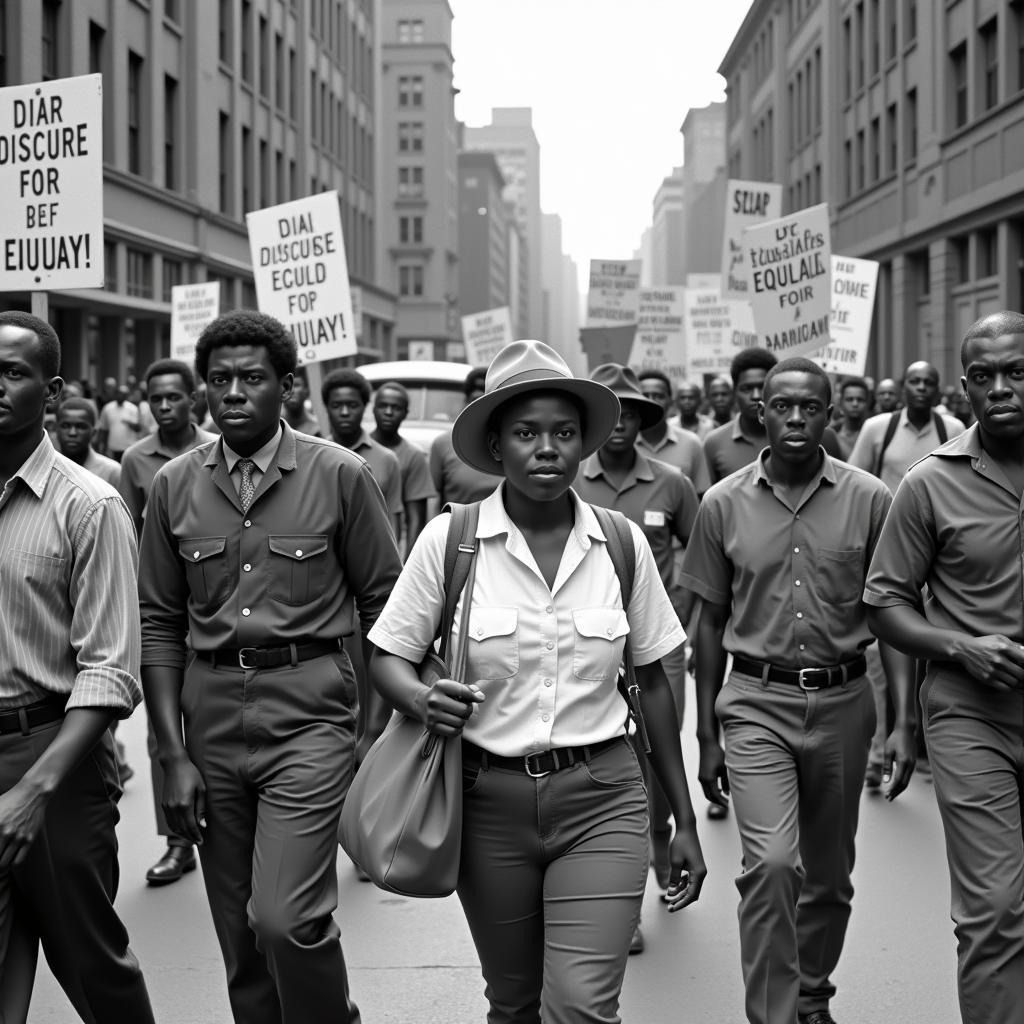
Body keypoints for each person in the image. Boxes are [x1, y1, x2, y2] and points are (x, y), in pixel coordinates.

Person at [369, 339, 707, 1024]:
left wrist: (683, 819)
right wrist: (421, 697)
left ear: (585, 443)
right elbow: (387, 658)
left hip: (605, 799)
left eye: (563, 433)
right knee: (515, 1002)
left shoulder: (620, 543)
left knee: (582, 1006)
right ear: (496, 446)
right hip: (486, 803)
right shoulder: (450, 540)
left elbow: (656, 680)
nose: (547, 448)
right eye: (526, 433)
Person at [138, 309, 402, 1024]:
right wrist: (170, 754)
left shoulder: (340, 475)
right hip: (212, 718)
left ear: (287, 387)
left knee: (286, 917)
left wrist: (373, 732)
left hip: (312, 713)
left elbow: (386, 606)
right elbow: (159, 622)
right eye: (218, 380)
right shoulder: (172, 486)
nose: (232, 393)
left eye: (251, 379)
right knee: (238, 930)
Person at [680, 356, 914, 1024]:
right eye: (780, 406)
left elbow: (890, 615)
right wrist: (704, 736)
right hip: (755, 704)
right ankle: (774, 1015)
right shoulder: (721, 503)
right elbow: (709, 625)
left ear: (830, 413)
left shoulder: (871, 499)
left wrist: (904, 723)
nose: (794, 418)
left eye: (809, 407)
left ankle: (813, 989)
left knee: (830, 876)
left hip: (844, 704)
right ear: (760, 411)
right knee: (773, 866)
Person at [865, 311, 1024, 1024]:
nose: (1002, 389)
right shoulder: (928, 484)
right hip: (972, 715)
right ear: (965, 388)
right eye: (985, 377)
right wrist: (962, 646)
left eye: (1016, 372)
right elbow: (886, 605)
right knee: (993, 907)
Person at [0, 310, 156, 1024]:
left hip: (54, 760)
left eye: (12, 372)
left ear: (52, 390)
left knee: (94, 970)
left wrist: (34, 790)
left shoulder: (90, 506)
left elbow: (110, 672)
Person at [574, 363, 703, 952]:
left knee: (654, 761)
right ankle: (622, 901)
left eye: (632, 413)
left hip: (654, 650)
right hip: (588, 647)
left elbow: (703, 564)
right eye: (612, 412)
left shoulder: (673, 482)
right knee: (609, 767)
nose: (621, 423)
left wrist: (691, 631)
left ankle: (662, 854)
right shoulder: (570, 480)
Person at [119, 358, 216, 885]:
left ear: (191, 398)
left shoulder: (220, 451)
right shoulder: (134, 460)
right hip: (162, 612)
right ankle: (178, 841)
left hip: (214, 610)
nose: (163, 406)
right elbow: (132, 542)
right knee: (163, 733)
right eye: (154, 398)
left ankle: (226, 828)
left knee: (212, 724)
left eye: (173, 397)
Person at [849, 361, 965, 784]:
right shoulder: (879, 428)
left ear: (939, 389)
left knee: (932, 644)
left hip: (938, 554)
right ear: (903, 387)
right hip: (887, 547)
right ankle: (879, 752)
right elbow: (856, 482)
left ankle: (926, 742)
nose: (920, 388)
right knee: (884, 650)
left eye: (928, 382)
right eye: (913, 381)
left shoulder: (950, 426)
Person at [321, 368, 402, 540]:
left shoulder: (387, 459)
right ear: (326, 407)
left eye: (352, 405)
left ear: (365, 407)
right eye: (336, 405)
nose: (344, 412)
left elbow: (392, 521)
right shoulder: (314, 457)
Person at [370, 380, 437, 554]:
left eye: (396, 407)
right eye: (383, 406)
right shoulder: (357, 450)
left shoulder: (413, 455)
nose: (388, 412)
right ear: (373, 408)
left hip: (395, 544)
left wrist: (408, 565)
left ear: (405, 413)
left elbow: (416, 518)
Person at [635, 369, 711, 495]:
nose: (651, 401)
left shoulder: (691, 443)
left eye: (659, 396)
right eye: (645, 396)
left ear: (671, 400)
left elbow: (701, 495)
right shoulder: (624, 443)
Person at [429, 366, 496, 505]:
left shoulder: (509, 443)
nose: (480, 406)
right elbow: (433, 499)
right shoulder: (442, 444)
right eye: (476, 399)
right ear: (466, 401)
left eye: (487, 400)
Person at [54, 396, 121, 487]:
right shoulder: (45, 468)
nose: (72, 433)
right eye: (65, 426)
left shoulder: (112, 472)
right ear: (56, 429)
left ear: (94, 432)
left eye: (80, 426)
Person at [97, 383, 142, 461]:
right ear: (115, 394)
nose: (121, 396)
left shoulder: (133, 408)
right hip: (112, 448)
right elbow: (104, 429)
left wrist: (129, 423)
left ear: (127, 396)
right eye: (120, 394)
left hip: (128, 448)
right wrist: (102, 447)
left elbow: (138, 428)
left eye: (124, 394)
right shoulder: (108, 408)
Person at [834, 376, 871, 460]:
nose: (855, 404)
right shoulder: (832, 434)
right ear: (841, 402)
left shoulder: (876, 433)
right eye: (849, 399)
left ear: (868, 402)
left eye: (860, 399)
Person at [280, 366, 323, 436]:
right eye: (287, 385)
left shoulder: (316, 428)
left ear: (306, 391)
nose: (292, 391)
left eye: (296, 385)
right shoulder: (273, 426)